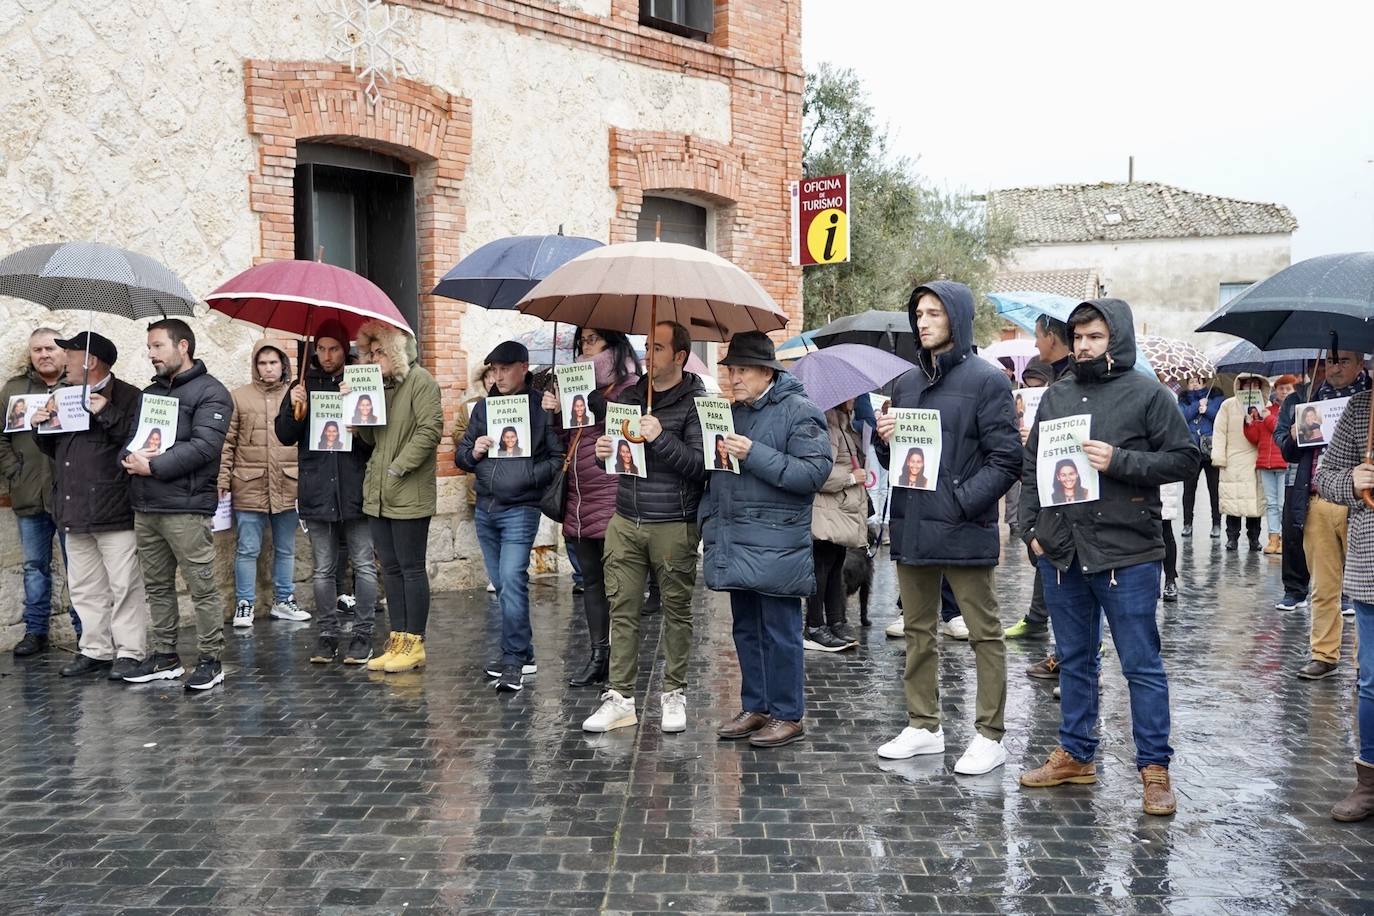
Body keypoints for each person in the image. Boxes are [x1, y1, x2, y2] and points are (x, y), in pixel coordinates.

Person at [1018, 299, 1198, 816]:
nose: (1083, 346)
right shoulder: (1056, 396)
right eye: (1077, 337)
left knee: (1140, 664)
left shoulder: (1148, 394)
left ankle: (1154, 769)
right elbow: (1033, 468)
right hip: (1062, 552)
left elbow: (1185, 459)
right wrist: (1030, 529)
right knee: (1074, 659)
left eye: (1094, 336)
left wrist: (1120, 460)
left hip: (1128, 552)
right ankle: (1076, 754)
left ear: (1115, 337)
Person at [874, 281, 1021, 776]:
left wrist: (960, 502)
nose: (923, 321)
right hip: (913, 524)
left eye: (934, 312)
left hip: (962, 526)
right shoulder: (907, 383)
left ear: (955, 317)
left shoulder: (987, 380)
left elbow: (1006, 459)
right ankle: (924, 724)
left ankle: (990, 734)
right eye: (918, 312)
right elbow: (896, 459)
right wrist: (883, 439)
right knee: (917, 630)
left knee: (983, 633)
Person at [700, 331, 830, 747]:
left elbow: (812, 475)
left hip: (776, 541)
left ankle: (788, 713)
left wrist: (753, 452)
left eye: (741, 370)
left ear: (765, 372)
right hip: (736, 537)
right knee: (746, 628)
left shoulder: (801, 411)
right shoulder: (731, 412)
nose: (733, 378)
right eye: (730, 370)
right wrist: (709, 520)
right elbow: (716, 474)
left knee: (780, 630)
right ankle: (755, 706)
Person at [581, 321, 706, 735]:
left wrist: (659, 438)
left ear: (680, 356)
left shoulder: (695, 401)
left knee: (676, 611)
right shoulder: (631, 395)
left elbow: (699, 467)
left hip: (673, 522)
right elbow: (618, 458)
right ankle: (619, 698)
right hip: (626, 518)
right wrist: (602, 454)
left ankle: (674, 693)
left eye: (658, 347)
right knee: (623, 608)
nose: (648, 354)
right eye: (647, 345)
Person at [120, 319, 233, 690]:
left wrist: (152, 467)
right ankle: (165, 656)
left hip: (186, 507)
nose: (150, 354)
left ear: (183, 346)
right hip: (147, 506)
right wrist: (128, 457)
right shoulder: (149, 393)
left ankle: (210, 659)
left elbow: (205, 447)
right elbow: (133, 438)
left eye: (157, 346)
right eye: (149, 347)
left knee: (201, 586)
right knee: (156, 586)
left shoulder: (212, 393)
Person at [32, 333, 147, 679]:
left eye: (70, 354)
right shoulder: (62, 395)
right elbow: (57, 450)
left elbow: (138, 441)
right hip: (73, 505)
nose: (63, 360)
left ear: (90, 361)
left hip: (114, 509)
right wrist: (41, 426)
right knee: (84, 586)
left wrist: (106, 412)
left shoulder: (129, 396)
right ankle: (95, 649)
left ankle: (130, 652)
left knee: (124, 585)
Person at [455, 340, 563, 690]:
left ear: (523, 367)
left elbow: (556, 457)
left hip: (521, 509)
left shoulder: (540, 407)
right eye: (493, 371)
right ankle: (525, 654)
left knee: (512, 580)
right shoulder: (484, 409)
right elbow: (460, 457)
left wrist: (527, 477)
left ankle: (513, 660)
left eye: (504, 369)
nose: (498, 376)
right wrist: (474, 451)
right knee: (503, 585)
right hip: (486, 508)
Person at [541, 328, 641, 687]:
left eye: (593, 339)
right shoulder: (573, 384)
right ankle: (599, 656)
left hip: (614, 496)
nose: (585, 345)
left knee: (621, 586)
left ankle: (624, 661)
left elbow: (634, 433)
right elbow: (566, 440)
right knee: (591, 584)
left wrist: (606, 407)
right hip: (579, 498)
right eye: (582, 339)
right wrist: (553, 413)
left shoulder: (630, 384)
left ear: (613, 345)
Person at [276, 319, 379, 666]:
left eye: (333, 348)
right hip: (317, 488)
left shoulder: (362, 378)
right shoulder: (303, 383)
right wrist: (294, 405)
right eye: (321, 348)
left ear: (344, 349)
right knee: (323, 568)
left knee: (364, 565)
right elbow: (285, 435)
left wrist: (358, 416)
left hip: (355, 487)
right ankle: (327, 634)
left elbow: (376, 435)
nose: (327, 355)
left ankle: (363, 633)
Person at [353, 321, 444, 675]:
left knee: (410, 568)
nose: (375, 359)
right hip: (378, 493)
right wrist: (357, 412)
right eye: (370, 353)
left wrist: (398, 468)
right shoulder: (382, 387)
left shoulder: (421, 381)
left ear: (396, 351)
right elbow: (373, 439)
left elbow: (430, 429)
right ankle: (397, 639)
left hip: (407, 489)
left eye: (380, 352)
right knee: (389, 569)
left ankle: (415, 642)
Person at [1275, 350, 1370, 677]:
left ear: (1360, 363)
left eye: (1344, 360)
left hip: (1360, 503)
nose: (1335, 367)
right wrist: (1292, 433)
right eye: (1330, 361)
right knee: (1323, 585)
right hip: (1315, 497)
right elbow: (1285, 450)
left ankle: (1364, 663)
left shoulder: (1367, 401)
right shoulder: (1304, 399)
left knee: (1363, 588)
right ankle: (1324, 654)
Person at [1312, 385, 1374, 821]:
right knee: (1372, 680)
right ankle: (1369, 781)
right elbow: (1326, 476)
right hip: (1372, 568)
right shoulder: (1363, 407)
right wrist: (1352, 480)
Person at [0, 327, 80, 657]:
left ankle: (85, 632)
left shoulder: (76, 387)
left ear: (63, 352)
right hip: (29, 491)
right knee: (35, 566)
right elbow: (1, 437)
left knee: (79, 567)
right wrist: (13, 471)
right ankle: (35, 632)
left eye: (50, 348)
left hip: (71, 493)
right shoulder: (15, 389)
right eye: (37, 350)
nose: (44, 354)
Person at [219, 340, 306, 629]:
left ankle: (284, 600)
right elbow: (228, 443)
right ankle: (245, 603)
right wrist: (223, 479)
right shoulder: (239, 397)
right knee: (247, 549)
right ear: (255, 366)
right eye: (262, 362)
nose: (268, 368)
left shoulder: (295, 395)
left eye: (273, 362)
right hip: (249, 484)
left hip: (287, 482)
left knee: (285, 548)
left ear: (283, 365)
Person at [805, 398, 868, 653]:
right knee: (821, 570)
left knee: (834, 567)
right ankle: (814, 627)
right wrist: (852, 477)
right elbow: (818, 473)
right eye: (851, 396)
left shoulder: (843, 422)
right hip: (826, 512)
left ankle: (835, 621)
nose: (855, 399)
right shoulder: (827, 425)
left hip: (841, 512)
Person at [1212, 373, 1267, 551]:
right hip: (1234, 460)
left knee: (1254, 503)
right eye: (1247, 384)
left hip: (1256, 459)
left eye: (1255, 384)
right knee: (1233, 502)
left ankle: (1254, 538)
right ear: (1240, 386)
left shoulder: (1266, 407)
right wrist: (1219, 456)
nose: (1251, 387)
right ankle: (1232, 537)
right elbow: (1219, 432)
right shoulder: (1228, 405)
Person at [1245, 374, 1293, 556]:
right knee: (1271, 504)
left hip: (1284, 462)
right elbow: (1255, 438)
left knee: (1282, 504)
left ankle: (1285, 539)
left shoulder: (1294, 410)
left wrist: (1267, 418)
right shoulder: (1267, 409)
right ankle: (1273, 538)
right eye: (1281, 389)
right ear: (1276, 391)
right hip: (1266, 462)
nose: (1284, 392)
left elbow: (1282, 430)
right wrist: (1249, 424)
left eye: (1288, 388)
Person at [1178, 376, 1225, 538]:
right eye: (1191, 381)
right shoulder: (1183, 400)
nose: (1195, 384)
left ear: (1204, 383)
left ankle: (1216, 524)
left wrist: (1208, 409)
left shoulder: (1216, 398)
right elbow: (1182, 417)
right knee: (1188, 490)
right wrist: (1197, 405)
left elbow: (1220, 418)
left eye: (1198, 381)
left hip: (1210, 450)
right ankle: (1187, 523)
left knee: (1214, 489)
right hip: (1191, 451)